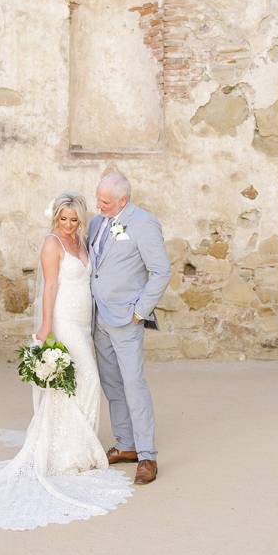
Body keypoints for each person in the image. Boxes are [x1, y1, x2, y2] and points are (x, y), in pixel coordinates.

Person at [0, 192, 131, 530]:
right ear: (55, 219)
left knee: (83, 381)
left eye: (74, 220)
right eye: (64, 219)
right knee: (84, 377)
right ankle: (68, 454)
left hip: (82, 319)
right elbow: (50, 286)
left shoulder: (81, 242)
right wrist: (46, 326)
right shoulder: (52, 244)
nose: (69, 225)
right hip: (63, 319)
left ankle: (79, 448)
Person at [89, 173, 171, 485]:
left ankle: (147, 455)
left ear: (123, 200)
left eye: (105, 202)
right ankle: (126, 445)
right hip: (99, 318)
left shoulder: (144, 223)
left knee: (134, 385)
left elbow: (161, 271)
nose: (99, 206)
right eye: (98, 199)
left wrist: (140, 311)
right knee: (111, 384)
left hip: (127, 319)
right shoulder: (98, 222)